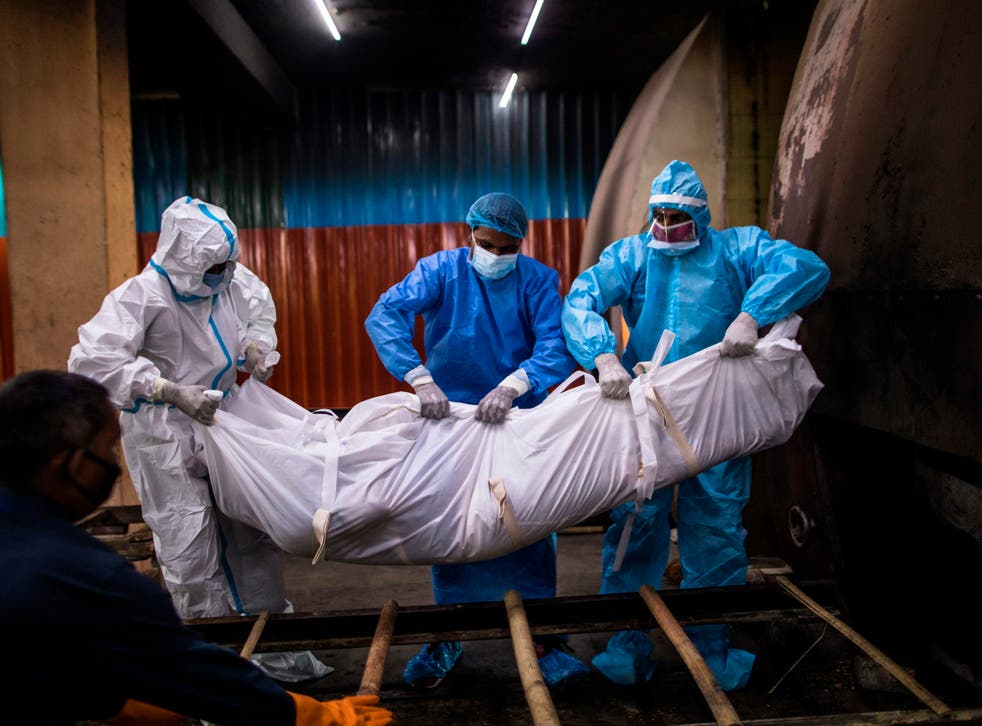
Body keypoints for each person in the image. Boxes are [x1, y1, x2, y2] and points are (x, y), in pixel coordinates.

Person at [562, 160, 830, 689]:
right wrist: (603, 355)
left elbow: (806, 267)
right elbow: (581, 298)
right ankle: (627, 645)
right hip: (647, 409)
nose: (666, 227)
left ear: (701, 218)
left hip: (715, 411)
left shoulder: (734, 249)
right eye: (659, 217)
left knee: (716, 528)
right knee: (635, 522)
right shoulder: (633, 255)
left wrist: (753, 313)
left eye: (677, 218)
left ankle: (711, 647)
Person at [0, 369, 392, 726]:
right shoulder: (87, 577)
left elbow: (38, 659)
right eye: (107, 451)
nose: (116, 466)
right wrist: (317, 716)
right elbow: (198, 677)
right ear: (69, 464)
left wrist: (110, 704)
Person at [68, 196, 328, 682]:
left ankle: (274, 651)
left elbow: (257, 310)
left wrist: (256, 347)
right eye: (213, 267)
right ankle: (212, 670)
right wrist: (166, 389)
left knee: (250, 531)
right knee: (188, 543)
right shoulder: (140, 297)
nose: (225, 275)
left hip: (225, 419)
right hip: (164, 432)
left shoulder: (228, 279)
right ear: (183, 259)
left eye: (228, 264)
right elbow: (93, 362)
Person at [364, 192, 588, 688]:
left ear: (521, 244)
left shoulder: (537, 280)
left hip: (517, 420)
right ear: (470, 234)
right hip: (451, 422)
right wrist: (418, 377)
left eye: (508, 248)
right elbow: (385, 313)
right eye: (487, 244)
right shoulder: (439, 271)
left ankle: (543, 638)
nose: (496, 255)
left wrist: (514, 386)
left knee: (526, 520)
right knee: (454, 524)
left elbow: (556, 343)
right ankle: (450, 632)